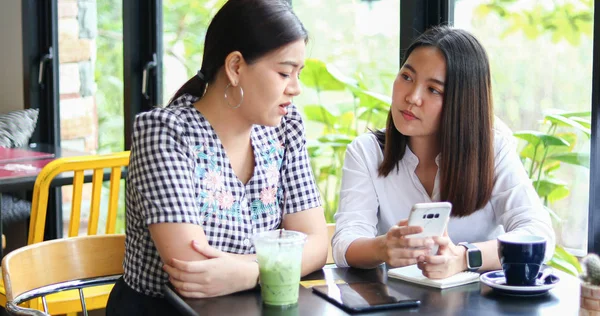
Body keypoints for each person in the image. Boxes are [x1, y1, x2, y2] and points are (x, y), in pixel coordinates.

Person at [106, 0, 328, 314]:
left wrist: (250, 272)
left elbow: (318, 244)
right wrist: (283, 261)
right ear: (235, 67)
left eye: (298, 74)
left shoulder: (286, 128)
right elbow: (193, 271)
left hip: (260, 306)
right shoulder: (165, 133)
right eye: (284, 73)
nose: (296, 89)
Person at [331, 26, 555, 279]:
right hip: (400, 302)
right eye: (407, 77)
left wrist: (464, 257)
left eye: (434, 90)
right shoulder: (367, 152)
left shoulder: (493, 148)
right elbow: (344, 243)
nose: (412, 97)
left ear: (463, 102)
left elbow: (539, 235)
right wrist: (382, 248)